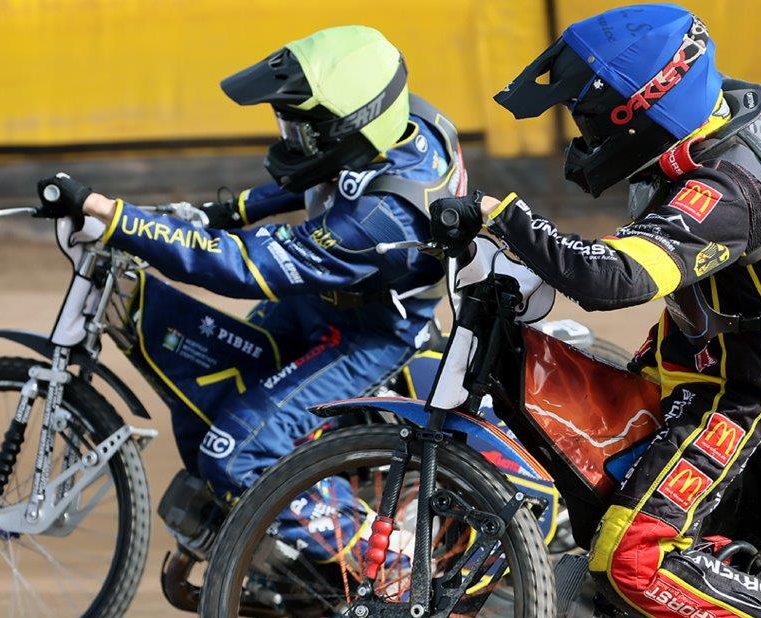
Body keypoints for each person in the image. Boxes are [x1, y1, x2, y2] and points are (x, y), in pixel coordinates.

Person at [429, 4, 761, 618]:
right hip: (678, 363)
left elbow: (616, 279)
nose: (584, 136)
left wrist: (508, 218)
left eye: (591, 119)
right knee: (586, 469)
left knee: (632, 555)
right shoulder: (688, 148)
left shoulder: (724, 188)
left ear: (647, 108)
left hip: (734, 394)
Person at [34, 26, 465, 566]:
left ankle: (389, 566)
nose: (288, 140)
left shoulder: (383, 216)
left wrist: (115, 216)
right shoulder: (403, 121)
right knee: (211, 392)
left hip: (369, 338)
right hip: (324, 300)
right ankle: (274, 536)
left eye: (302, 130)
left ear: (351, 126)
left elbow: (243, 266)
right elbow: (318, 175)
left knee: (234, 454)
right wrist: (222, 212)